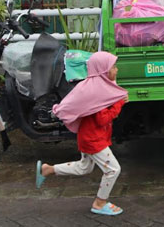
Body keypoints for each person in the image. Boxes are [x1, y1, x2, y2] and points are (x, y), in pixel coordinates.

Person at [35, 52, 128, 215]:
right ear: (103, 70)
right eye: (113, 67)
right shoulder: (97, 91)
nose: (117, 70)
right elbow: (102, 119)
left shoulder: (97, 86)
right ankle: (100, 203)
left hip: (89, 137)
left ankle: (48, 170)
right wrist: (119, 104)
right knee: (113, 170)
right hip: (93, 139)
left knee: (84, 167)